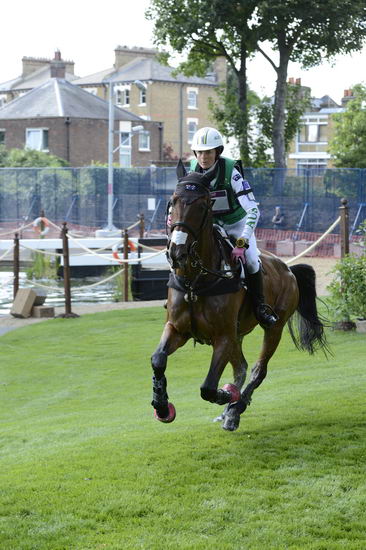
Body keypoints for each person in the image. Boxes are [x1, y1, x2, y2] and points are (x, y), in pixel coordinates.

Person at [190, 126, 277, 328]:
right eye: (200, 152)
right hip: (212, 226)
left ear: (217, 152)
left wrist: (242, 242)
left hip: (237, 224)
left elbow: (253, 210)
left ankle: (260, 306)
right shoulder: (192, 169)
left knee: (253, 261)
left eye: (209, 152)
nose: (204, 157)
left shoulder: (232, 171)